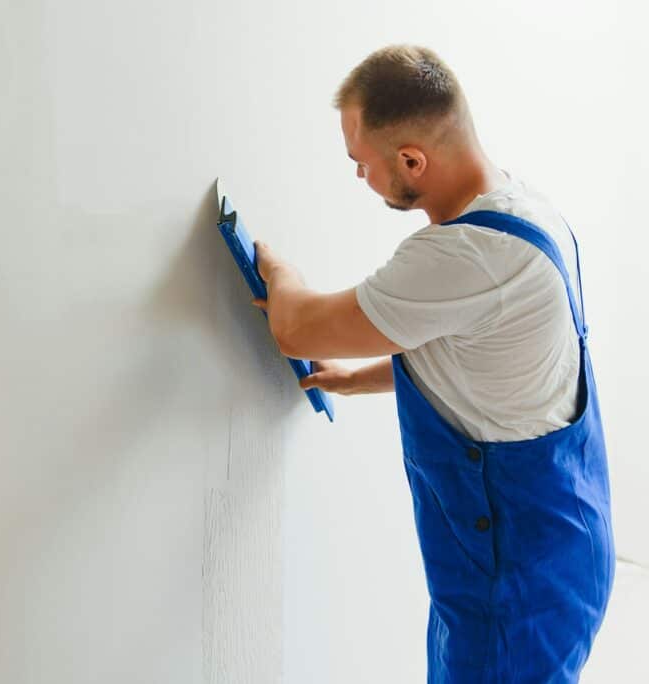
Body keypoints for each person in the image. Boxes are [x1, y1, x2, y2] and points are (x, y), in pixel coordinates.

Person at [251, 44, 614, 683]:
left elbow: (297, 327)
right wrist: (361, 378)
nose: (359, 178)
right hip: (557, 545)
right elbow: (483, 357)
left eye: (361, 164)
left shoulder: (464, 257)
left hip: (512, 577)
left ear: (411, 160)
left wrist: (279, 270)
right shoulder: (528, 210)